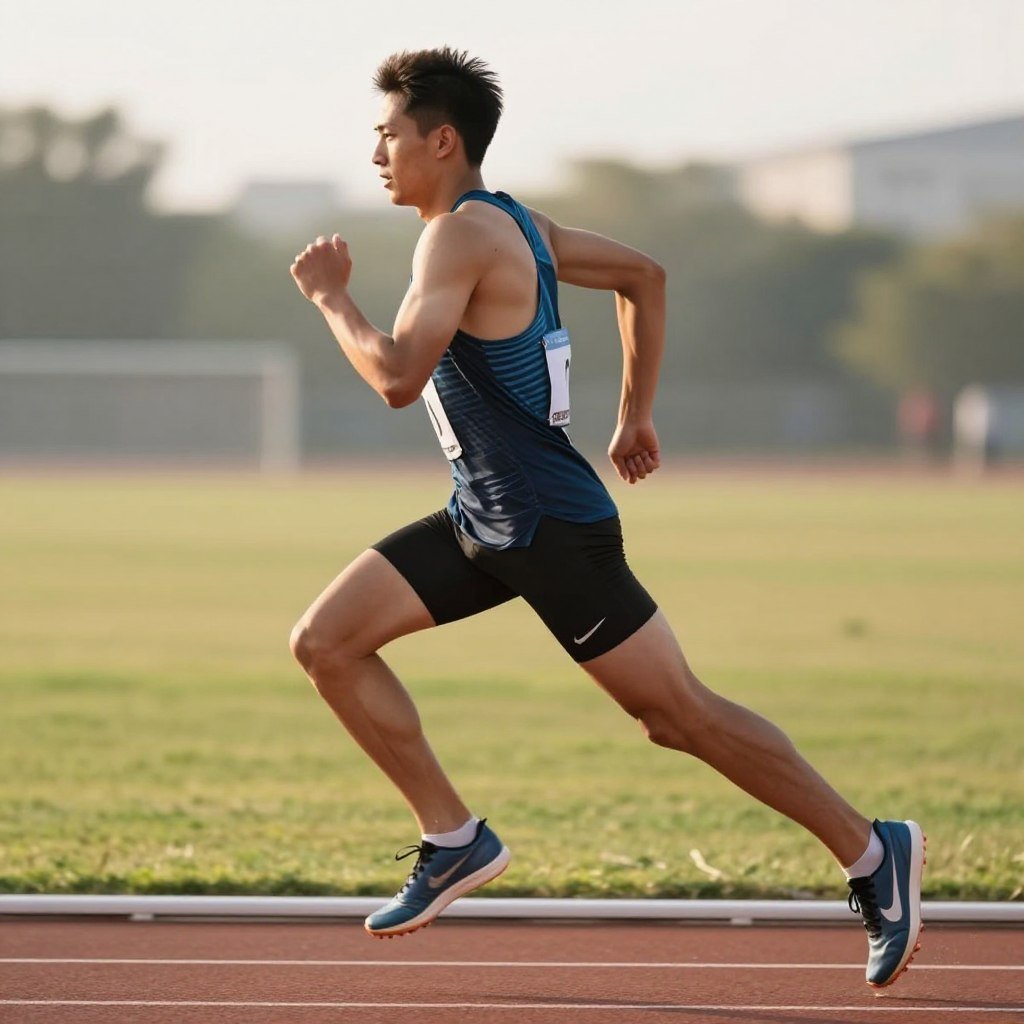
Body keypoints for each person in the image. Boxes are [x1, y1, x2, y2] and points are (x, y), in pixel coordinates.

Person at [288, 46, 924, 988]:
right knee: (326, 641)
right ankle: (453, 837)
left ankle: (873, 853)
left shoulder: (458, 236)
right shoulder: (522, 227)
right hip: (487, 517)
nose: (375, 153)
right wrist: (635, 413)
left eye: (388, 135)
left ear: (443, 140)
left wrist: (331, 298)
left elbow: (394, 377)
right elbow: (646, 276)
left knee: (679, 717)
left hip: (547, 526)